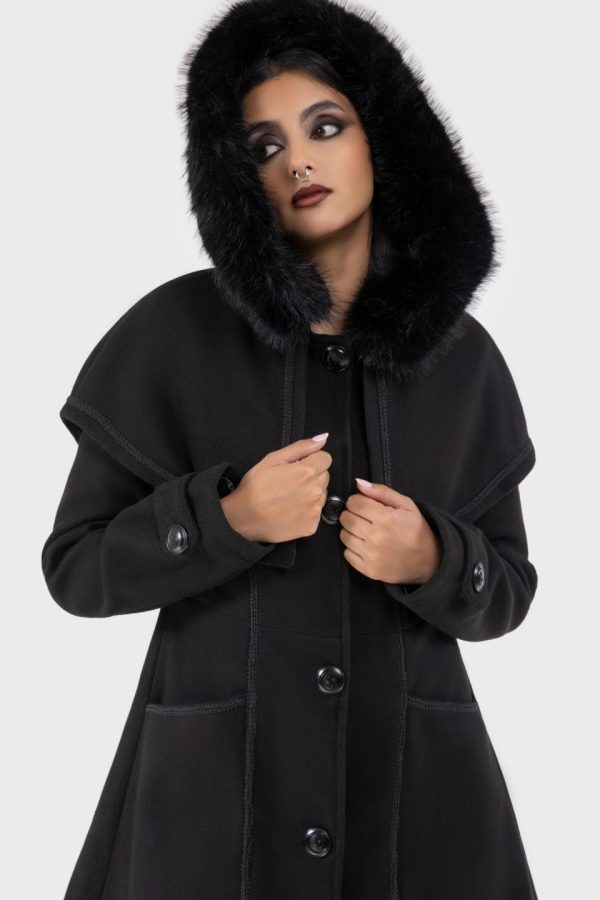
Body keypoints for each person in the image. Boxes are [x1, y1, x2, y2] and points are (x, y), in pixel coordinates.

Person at [41, 1, 540, 898]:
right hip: (214, 802)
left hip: (416, 796)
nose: (298, 160)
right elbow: (77, 571)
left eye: (325, 126)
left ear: (382, 138)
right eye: (264, 147)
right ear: (237, 178)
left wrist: (433, 556)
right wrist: (224, 518)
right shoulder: (172, 333)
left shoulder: (464, 360)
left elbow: (507, 590)